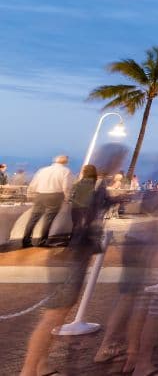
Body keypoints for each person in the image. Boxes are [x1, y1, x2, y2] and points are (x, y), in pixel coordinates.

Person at [20, 145, 123, 376]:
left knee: (59, 312)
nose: (119, 166)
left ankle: (42, 365)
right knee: (54, 315)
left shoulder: (93, 185)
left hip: (75, 251)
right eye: (118, 160)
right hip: (71, 252)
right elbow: (80, 214)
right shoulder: (88, 185)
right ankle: (28, 370)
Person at [22, 154, 74, 248]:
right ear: (66, 162)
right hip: (55, 196)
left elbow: (34, 183)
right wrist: (67, 198)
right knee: (48, 219)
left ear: (54, 161)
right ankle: (42, 241)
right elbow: (66, 187)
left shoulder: (43, 170)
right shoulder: (66, 171)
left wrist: (30, 194)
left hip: (40, 195)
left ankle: (26, 241)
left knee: (33, 218)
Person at [70, 164, 100, 239]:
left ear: (84, 172)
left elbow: (72, 193)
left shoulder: (79, 183)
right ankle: (83, 239)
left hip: (76, 205)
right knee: (86, 224)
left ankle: (73, 239)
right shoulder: (96, 182)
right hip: (88, 206)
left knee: (76, 224)